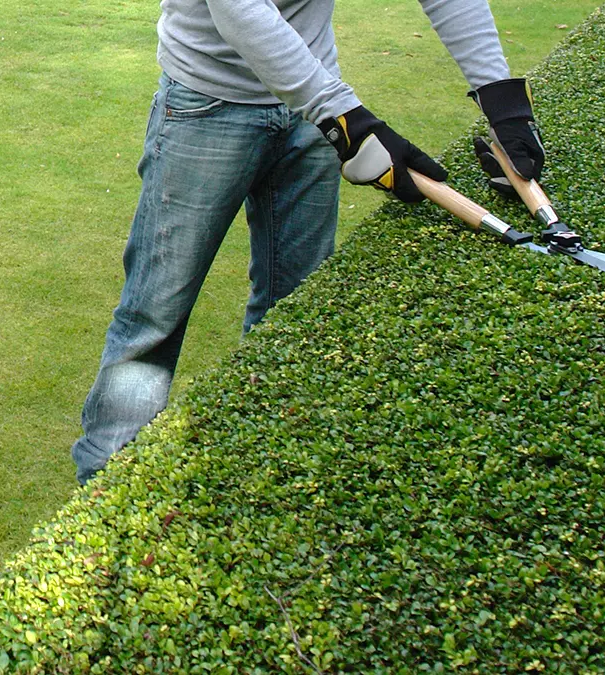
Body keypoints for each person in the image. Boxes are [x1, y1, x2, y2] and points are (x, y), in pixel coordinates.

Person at [71, 0, 546, 485]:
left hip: (311, 106)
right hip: (208, 107)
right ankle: (105, 477)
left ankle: (257, 465)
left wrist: (499, 98)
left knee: (291, 310)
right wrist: (343, 120)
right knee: (155, 313)